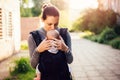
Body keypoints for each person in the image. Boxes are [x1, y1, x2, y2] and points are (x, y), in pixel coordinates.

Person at [28, 3, 73, 80]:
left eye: (56, 24)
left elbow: (70, 60)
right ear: (42, 20)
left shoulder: (65, 34)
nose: (53, 27)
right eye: (49, 24)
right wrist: (38, 50)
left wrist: (65, 48)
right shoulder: (33, 37)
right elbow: (33, 65)